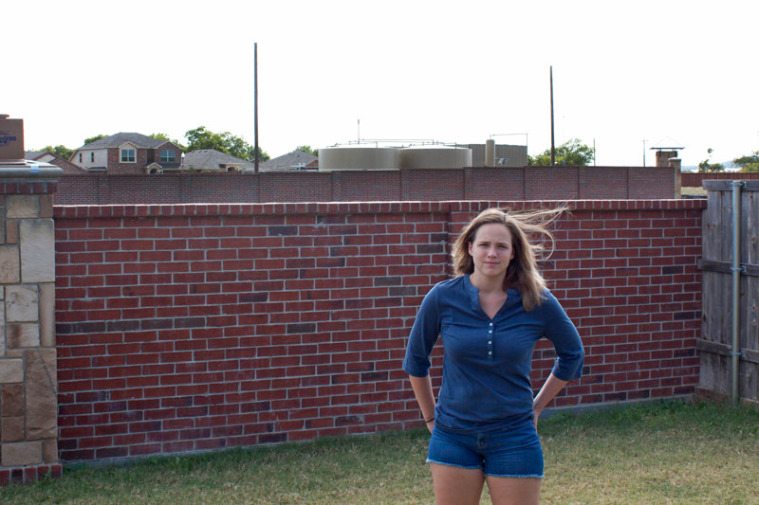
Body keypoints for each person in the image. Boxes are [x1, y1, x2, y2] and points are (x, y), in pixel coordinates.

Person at [403, 207, 584, 505]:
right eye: (484, 244)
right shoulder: (442, 297)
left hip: (514, 436)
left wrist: (536, 408)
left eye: (502, 246)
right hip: (453, 437)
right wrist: (430, 417)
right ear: (469, 247)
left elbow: (573, 354)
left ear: (513, 253)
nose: (492, 253)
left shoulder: (536, 301)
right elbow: (415, 361)